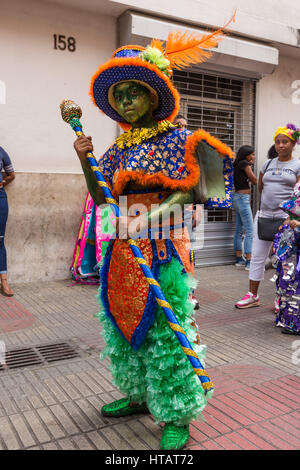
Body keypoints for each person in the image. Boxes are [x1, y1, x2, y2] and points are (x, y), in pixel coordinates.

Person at [73, 29, 234, 450]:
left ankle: (177, 411)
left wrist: (146, 222)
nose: (125, 101)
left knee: (166, 328)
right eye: (119, 95)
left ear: (152, 95)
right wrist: (85, 159)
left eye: (134, 92)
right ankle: (139, 394)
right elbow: (100, 196)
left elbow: (194, 189)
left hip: (162, 246)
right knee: (121, 324)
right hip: (120, 250)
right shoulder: (114, 150)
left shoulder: (178, 139)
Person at [236, 124, 300, 309]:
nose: (281, 145)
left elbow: (298, 194)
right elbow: (261, 185)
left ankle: (281, 298)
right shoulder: (267, 163)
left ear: (293, 143)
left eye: (285, 142)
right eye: (278, 142)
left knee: (283, 260)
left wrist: (291, 216)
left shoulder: (297, 165)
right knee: (257, 256)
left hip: (285, 218)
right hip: (264, 215)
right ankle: (252, 296)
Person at [272, 178, 300, 335]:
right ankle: (289, 320)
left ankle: (296, 323)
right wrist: (287, 222)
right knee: (288, 281)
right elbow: (293, 209)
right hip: (293, 244)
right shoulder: (298, 184)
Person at [233, 145, 257, 270]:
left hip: (237, 197)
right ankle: (249, 261)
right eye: (252, 154)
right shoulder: (244, 164)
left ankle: (238, 259)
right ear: (247, 155)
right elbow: (254, 180)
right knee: (249, 230)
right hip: (243, 199)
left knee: (238, 229)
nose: (254, 156)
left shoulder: (237, 164)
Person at [0, 146, 15, 297]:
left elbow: (11, 174)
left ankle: (4, 281)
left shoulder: (1, 151)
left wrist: (2, 182)